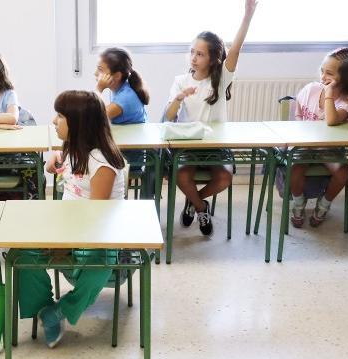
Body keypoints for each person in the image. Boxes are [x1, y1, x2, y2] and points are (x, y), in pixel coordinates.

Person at [20, 90, 128, 348]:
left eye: (60, 116)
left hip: (98, 239)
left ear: (79, 123)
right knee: (20, 252)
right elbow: (61, 172)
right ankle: (45, 307)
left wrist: (63, 243)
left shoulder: (101, 163)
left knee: (99, 260)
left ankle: (61, 311)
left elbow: (96, 219)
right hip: (67, 232)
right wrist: (55, 160)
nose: (54, 121)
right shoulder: (73, 150)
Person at [163, 0, 257, 236]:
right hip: (188, 145)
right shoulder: (180, 81)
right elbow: (168, 116)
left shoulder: (221, 78)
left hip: (216, 146)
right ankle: (200, 206)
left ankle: (195, 201)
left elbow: (235, 50)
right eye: (192, 52)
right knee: (181, 176)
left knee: (225, 177)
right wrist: (179, 98)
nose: (194, 58)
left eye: (200, 54)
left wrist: (248, 15)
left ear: (213, 58)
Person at [288, 48, 348, 228]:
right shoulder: (310, 89)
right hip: (304, 144)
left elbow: (331, 120)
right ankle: (298, 203)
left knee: (343, 172)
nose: (323, 77)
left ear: (344, 77)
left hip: (327, 147)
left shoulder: (347, 102)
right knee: (295, 167)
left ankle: (324, 205)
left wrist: (328, 94)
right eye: (322, 71)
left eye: (329, 74)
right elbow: (297, 114)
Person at [95, 47, 148, 125]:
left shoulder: (125, 98)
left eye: (100, 69)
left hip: (134, 135)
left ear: (117, 76)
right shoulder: (119, 87)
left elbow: (94, 118)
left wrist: (99, 89)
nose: (95, 73)